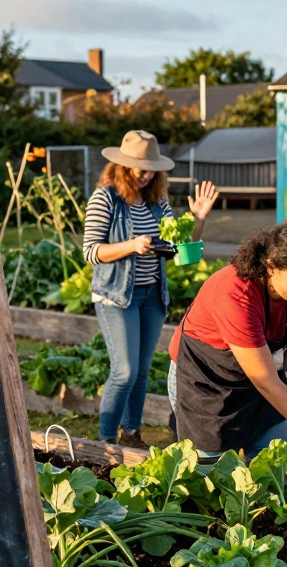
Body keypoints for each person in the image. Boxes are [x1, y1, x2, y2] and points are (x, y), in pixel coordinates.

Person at [167, 222, 287, 478]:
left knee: (280, 463)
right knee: (206, 477)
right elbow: (267, 382)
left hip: (258, 379)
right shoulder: (235, 294)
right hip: (205, 381)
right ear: (271, 267)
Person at [84, 130, 218, 448]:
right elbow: (91, 251)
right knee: (124, 370)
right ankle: (104, 442)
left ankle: (131, 434)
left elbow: (181, 251)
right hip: (117, 296)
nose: (146, 175)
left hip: (153, 296)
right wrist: (131, 245)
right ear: (122, 166)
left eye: (151, 169)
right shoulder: (106, 199)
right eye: (140, 168)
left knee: (142, 371)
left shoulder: (158, 203)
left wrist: (198, 219)